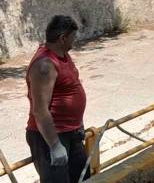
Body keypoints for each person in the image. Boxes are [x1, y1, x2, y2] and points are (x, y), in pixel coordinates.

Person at [26, 15, 89, 183]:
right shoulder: (44, 65)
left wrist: (78, 124)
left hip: (72, 133)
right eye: (72, 38)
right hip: (51, 137)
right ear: (62, 38)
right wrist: (54, 145)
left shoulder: (62, 54)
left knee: (84, 178)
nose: (74, 42)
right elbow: (40, 111)